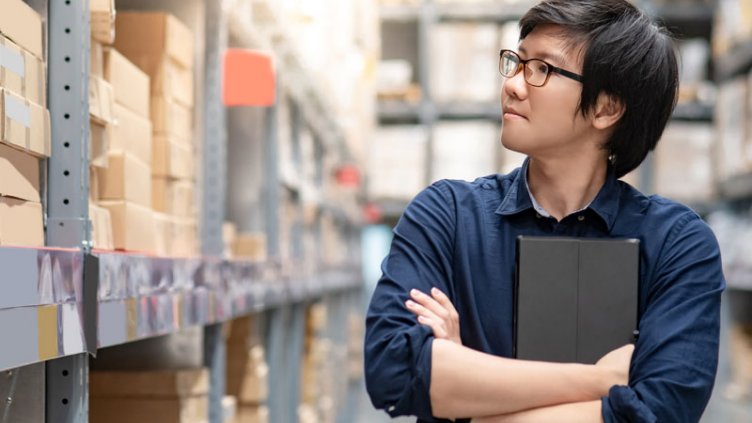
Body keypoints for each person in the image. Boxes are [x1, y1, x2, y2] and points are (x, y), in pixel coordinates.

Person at [363, 1, 725, 422]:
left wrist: (468, 394)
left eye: (542, 70)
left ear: (607, 108)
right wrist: (599, 382)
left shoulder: (677, 245)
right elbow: (393, 370)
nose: (513, 85)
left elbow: (661, 411)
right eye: (516, 62)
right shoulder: (447, 216)